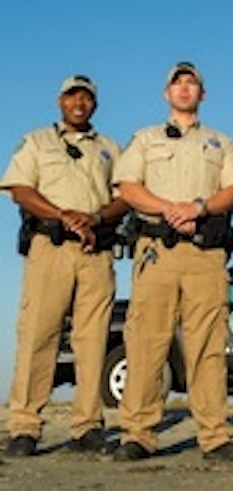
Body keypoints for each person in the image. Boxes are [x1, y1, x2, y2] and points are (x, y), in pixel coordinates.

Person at [111, 62, 233, 462]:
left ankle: (215, 436)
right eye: (178, 83)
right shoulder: (145, 139)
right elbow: (128, 187)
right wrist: (170, 208)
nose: (185, 88)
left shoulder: (221, 143)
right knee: (146, 342)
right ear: (166, 94)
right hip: (158, 251)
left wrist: (199, 207)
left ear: (203, 95)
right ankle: (137, 433)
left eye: (192, 83)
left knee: (208, 344)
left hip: (205, 253)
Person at [1, 75, 128, 457]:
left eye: (86, 97)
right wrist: (63, 216)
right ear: (60, 101)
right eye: (72, 95)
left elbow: (125, 195)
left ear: (95, 105)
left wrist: (97, 218)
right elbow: (21, 190)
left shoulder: (109, 148)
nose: (79, 102)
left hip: (96, 251)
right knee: (40, 334)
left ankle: (88, 425)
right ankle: (25, 426)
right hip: (51, 247)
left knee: (92, 339)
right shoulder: (37, 141)